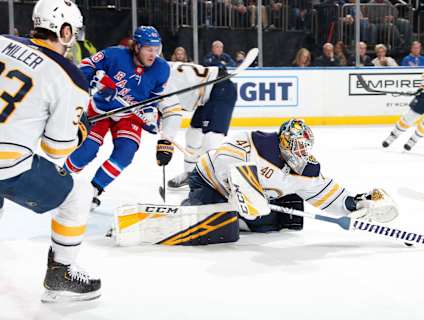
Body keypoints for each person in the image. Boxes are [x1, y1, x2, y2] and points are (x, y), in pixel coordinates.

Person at [111, 119, 397, 245]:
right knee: (215, 224)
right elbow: (221, 159)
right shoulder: (254, 145)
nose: (302, 154)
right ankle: (179, 207)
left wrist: (354, 203)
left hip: (256, 197)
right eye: (296, 148)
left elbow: (326, 193)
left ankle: (236, 212)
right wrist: (240, 188)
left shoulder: (305, 169)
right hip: (210, 181)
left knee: (274, 223)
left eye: (305, 148)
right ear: (283, 143)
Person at [0, 0, 101, 302]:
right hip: (6, 165)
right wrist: (80, 130)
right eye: (74, 33)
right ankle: (61, 274)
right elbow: (55, 147)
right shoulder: (68, 76)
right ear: (65, 30)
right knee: (79, 192)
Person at [63, 26, 172, 207]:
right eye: (148, 49)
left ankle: (93, 191)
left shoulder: (162, 69)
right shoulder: (115, 54)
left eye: (156, 49)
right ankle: (61, 178)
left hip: (129, 115)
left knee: (126, 152)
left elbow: (154, 98)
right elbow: (85, 66)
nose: (153, 54)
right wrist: (95, 82)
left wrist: (151, 114)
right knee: (88, 149)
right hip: (102, 108)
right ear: (136, 47)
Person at [164, 62, 237, 189]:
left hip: (220, 87)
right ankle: (191, 174)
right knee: (192, 134)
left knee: (211, 139)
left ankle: (214, 178)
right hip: (205, 94)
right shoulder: (163, 69)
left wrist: (165, 141)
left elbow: (173, 116)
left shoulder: (160, 79)